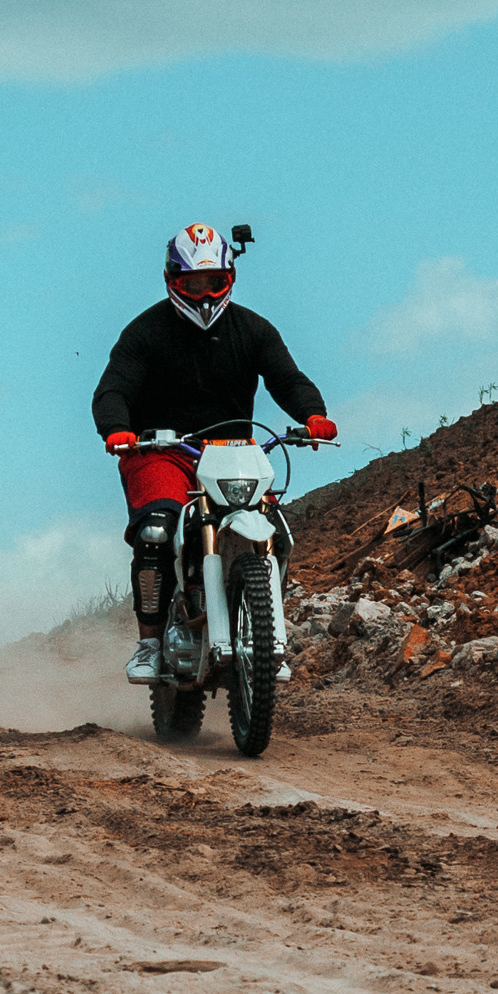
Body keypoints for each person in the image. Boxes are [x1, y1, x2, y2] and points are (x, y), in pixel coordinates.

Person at [92, 224, 336, 683]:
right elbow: (113, 389)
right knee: (156, 533)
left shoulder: (254, 330)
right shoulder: (144, 333)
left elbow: (288, 379)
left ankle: (265, 636)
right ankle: (148, 644)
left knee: (275, 527)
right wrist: (118, 428)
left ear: (230, 279)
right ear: (172, 281)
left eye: (214, 283)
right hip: (161, 450)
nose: (204, 296)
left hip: (233, 451)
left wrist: (313, 413)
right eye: (192, 285)